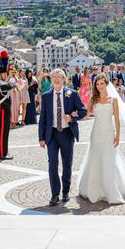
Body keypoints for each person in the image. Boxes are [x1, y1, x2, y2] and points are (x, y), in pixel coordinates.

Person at [77, 74, 125, 204]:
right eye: (97, 84)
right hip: (96, 133)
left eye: (102, 84)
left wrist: (118, 135)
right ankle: (95, 189)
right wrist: (74, 116)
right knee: (95, 158)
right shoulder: (93, 99)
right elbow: (86, 115)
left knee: (110, 159)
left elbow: (116, 119)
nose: (99, 86)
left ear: (106, 84)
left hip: (109, 133)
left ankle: (113, 190)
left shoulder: (113, 100)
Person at [38, 68, 87, 206]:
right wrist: (41, 137)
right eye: (53, 76)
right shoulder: (46, 96)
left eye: (59, 76)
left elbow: (83, 111)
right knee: (52, 164)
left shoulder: (72, 94)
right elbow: (43, 118)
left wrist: (71, 118)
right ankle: (55, 194)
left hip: (66, 133)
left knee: (67, 163)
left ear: (64, 79)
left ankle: (65, 192)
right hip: (51, 134)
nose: (56, 79)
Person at [0, 51, 14, 160]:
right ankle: (1, 153)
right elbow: (8, 87)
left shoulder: (2, 82)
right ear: (1, 74)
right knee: (2, 132)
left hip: (5, 109)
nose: (6, 75)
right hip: (1, 110)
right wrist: (12, 82)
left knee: (5, 131)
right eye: (5, 74)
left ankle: (3, 152)